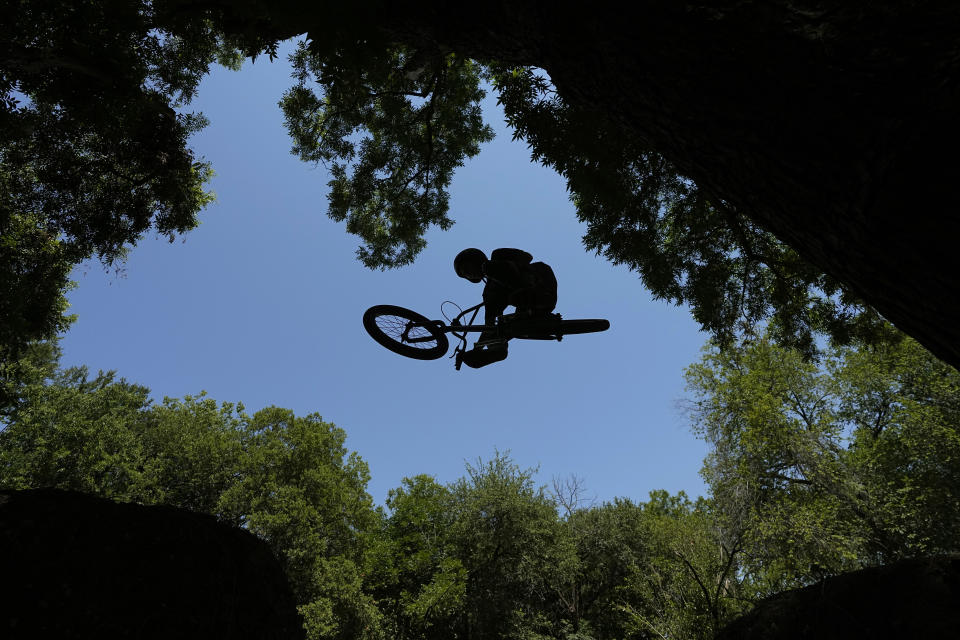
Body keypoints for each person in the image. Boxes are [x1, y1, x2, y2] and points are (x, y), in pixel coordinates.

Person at [453, 247, 558, 368]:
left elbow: (527, 257)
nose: (468, 274)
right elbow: (489, 325)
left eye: (467, 269)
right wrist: (477, 348)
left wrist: (509, 267)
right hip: (533, 308)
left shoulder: (496, 258)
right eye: (465, 275)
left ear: (475, 259)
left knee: (491, 271)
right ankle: (498, 349)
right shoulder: (489, 293)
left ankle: (527, 299)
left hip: (542, 286)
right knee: (499, 328)